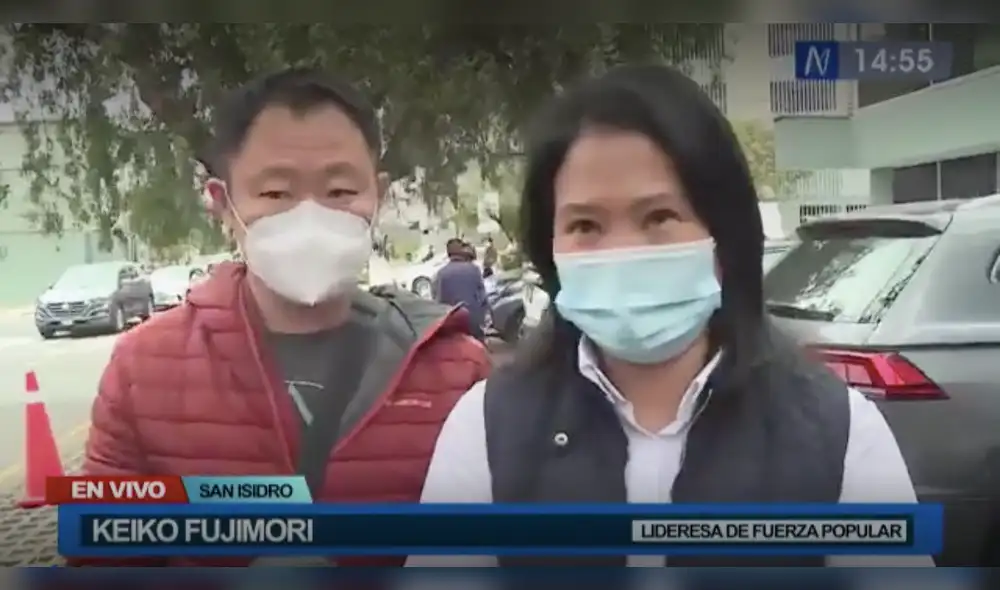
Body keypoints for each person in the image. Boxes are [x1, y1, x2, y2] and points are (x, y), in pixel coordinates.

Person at [407, 65, 931, 567]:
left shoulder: (838, 432)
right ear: (550, 250)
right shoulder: (487, 428)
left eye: (659, 217)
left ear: (723, 236)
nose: (621, 253)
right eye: (585, 225)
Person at [73, 67, 491, 567]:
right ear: (223, 204)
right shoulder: (144, 368)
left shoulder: (458, 372)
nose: (309, 216)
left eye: (340, 191)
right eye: (275, 194)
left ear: (378, 196)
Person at [432, 238, 488, 342]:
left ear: (448, 253)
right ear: (462, 251)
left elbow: (437, 301)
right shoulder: (474, 270)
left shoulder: (441, 274)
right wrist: (480, 318)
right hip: (472, 323)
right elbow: (483, 298)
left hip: (451, 325)